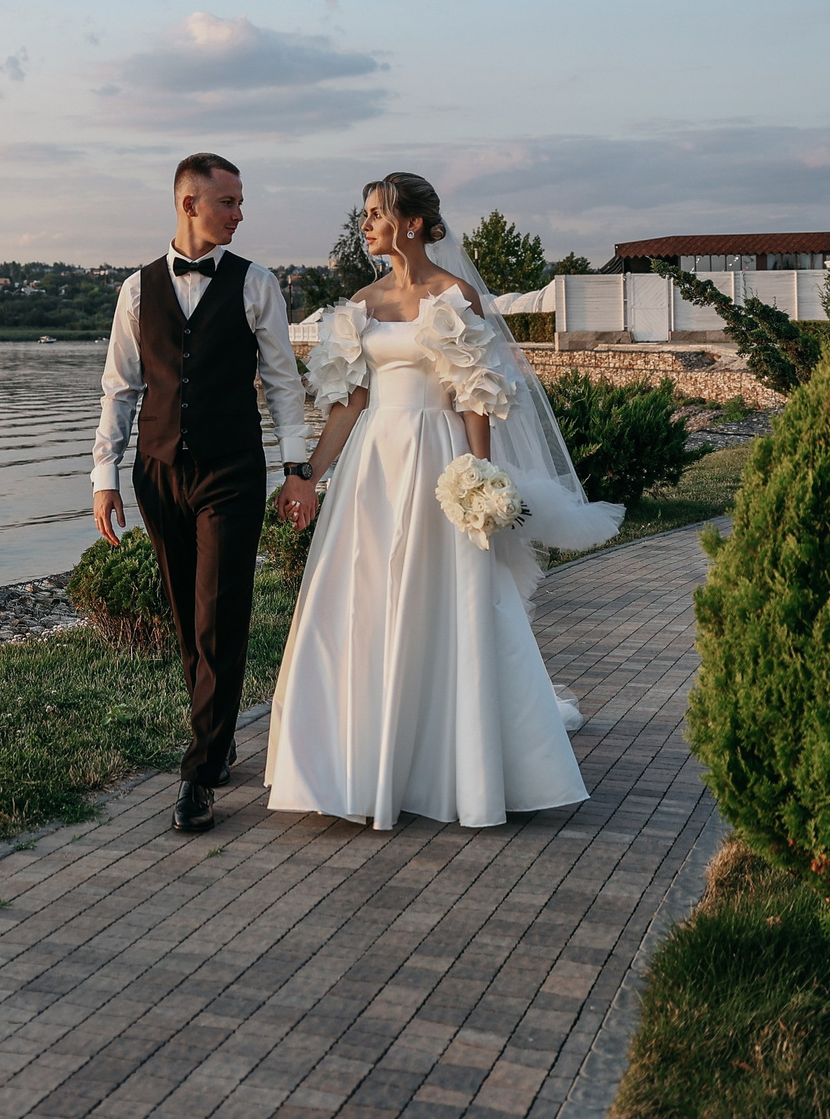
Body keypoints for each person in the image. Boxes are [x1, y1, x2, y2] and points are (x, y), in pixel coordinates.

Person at [264, 173, 622, 831]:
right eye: (365, 213)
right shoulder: (361, 302)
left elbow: (475, 393)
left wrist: (479, 477)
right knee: (362, 600)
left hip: (439, 457)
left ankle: (456, 763)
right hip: (373, 464)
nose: (366, 224)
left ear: (410, 222)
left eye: (375, 213)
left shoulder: (454, 296)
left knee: (447, 599)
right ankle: (354, 763)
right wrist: (308, 474)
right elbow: (351, 401)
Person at [92, 152, 313, 835]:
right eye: (229, 202)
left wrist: (296, 466)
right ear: (189, 203)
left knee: (221, 612)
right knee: (190, 618)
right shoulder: (136, 290)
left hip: (231, 471)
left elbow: (281, 381)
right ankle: (216, 746)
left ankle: (197, 773)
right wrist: (105, 475)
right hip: (158, 473)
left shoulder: (257, 285)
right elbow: (120, 389)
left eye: (240, 201)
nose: (240, 213)